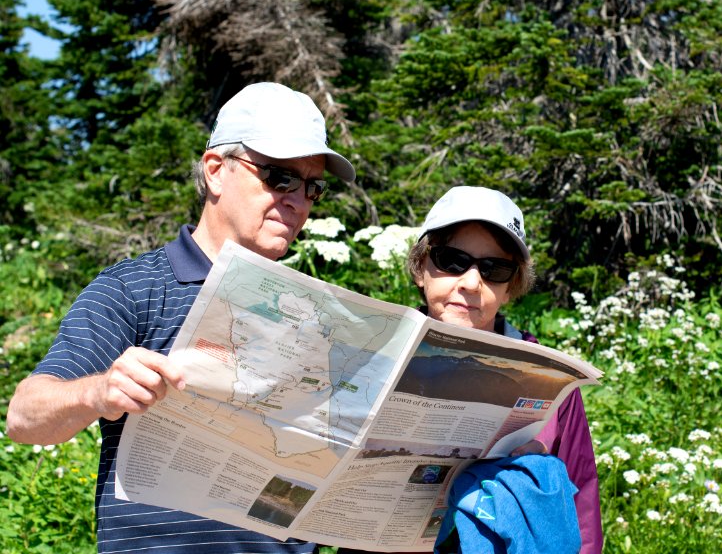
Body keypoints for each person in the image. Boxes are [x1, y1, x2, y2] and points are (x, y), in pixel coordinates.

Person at [5, 82, 356, 554]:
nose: (299, 202)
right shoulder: (132, 288)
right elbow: (25, 417)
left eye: (313, 187)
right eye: (280, 178)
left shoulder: (320, 312)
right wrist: (98, 390)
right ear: (215, 171)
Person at [341, 186, 603, 554]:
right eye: (451, 261)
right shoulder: (373, 354)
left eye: (494, 269)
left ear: (511, 288)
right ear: (421, 269)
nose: (470, 282)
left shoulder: (549, 376)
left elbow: (581, 496)